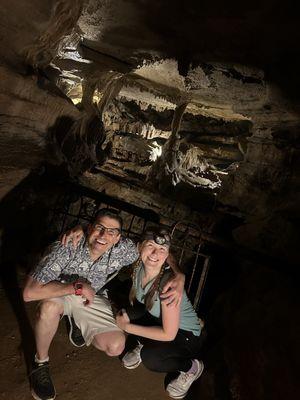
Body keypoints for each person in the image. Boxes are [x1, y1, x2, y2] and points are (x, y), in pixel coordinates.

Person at [23, 209, 184, 400]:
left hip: (92, 295)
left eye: (111, 232)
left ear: (117, 238)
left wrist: (179, 274)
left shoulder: (123, 250)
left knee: (115, 346)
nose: (103, 236)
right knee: (48, 309)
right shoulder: (66, 246)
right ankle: (40, 363)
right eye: (99, 228)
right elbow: (29, 293)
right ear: (90, 227)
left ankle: (76, 320)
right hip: (61, 292)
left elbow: (160, 249)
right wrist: (77, 287)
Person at [116, 227, 204, 399]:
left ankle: (192, 368)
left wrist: (128, 327)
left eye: (162, 250)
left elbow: (169, 334)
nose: (155, 253)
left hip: (184, 334)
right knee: (126, 313)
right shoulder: (139, 266)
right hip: (160, 319)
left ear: (166, 255)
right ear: (140, 246)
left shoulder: (168, 287)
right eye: (150, 246)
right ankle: (144, 341)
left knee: (151, 358)